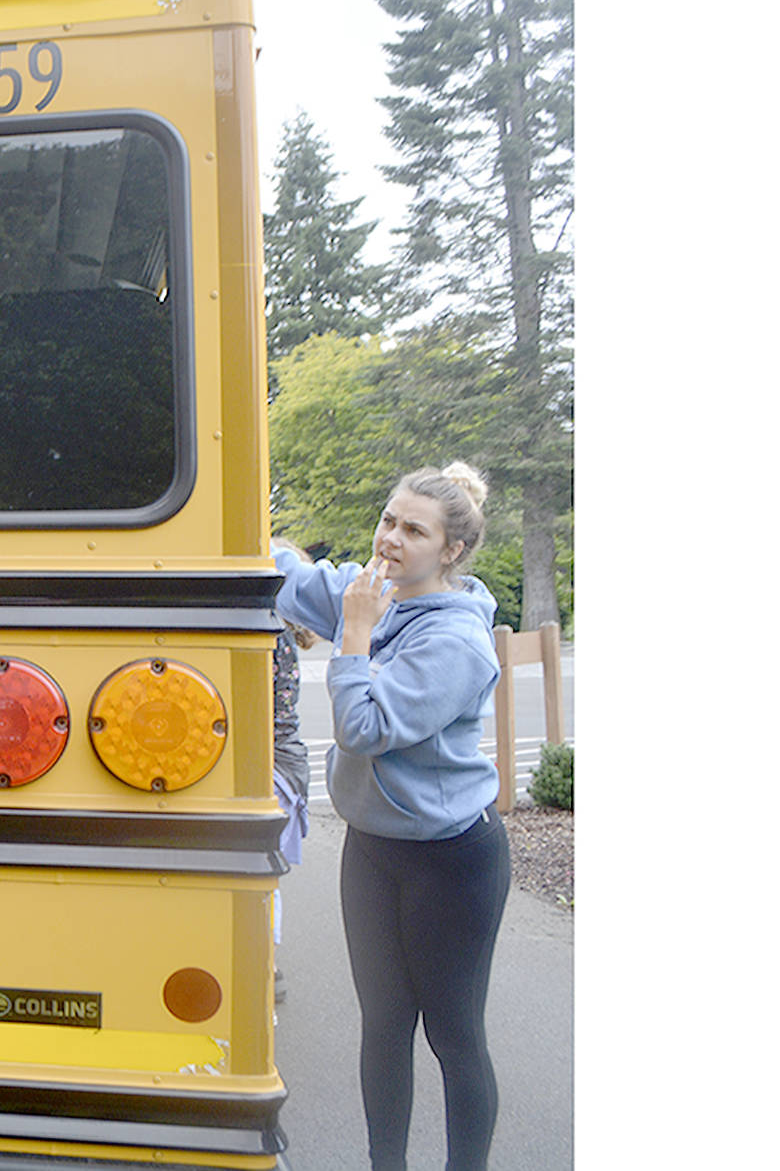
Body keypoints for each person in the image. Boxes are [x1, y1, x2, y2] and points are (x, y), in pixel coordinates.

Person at [272, 463, 509, 1171]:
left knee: (454, 1033)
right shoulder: (375, 594)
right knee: (383, 1025)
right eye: (388, 520)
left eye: (414, 529)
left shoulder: (457, 641)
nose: (392, 538)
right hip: (375, 850)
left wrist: (354, 632)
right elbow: (291, 576)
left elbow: (363, 727)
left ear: (452, 550)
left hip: (452, 861)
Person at [269, 540, 315, 1002]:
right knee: (265, 871)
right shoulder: (282, 630)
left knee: (259, 871)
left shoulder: (268, 632)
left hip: (272, 762)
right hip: (286, 761)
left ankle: (266, 965)